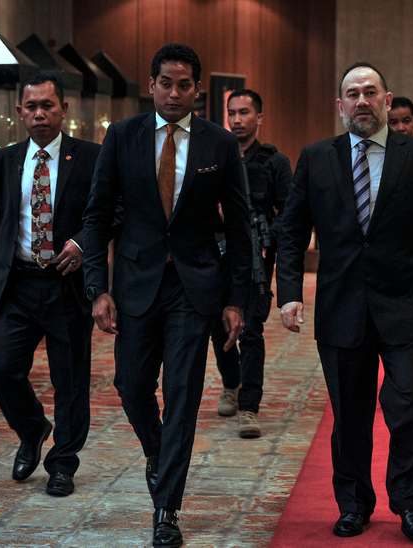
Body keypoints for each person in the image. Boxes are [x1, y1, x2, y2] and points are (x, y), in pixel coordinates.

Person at [276, 62, 413, 543]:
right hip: (341, 309)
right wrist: (290, 293)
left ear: (387, 99)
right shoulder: (317, 158)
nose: (361, 101)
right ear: (339, 105)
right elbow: (293, 231)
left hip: (407, 306)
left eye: (370, 92)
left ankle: (409, 503)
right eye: (352, 94)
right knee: (350, 416)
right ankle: (354, 504)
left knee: (411, 404)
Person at [82, 43, 251, 547]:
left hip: (194, 288)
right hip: (134, 285)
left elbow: (241, 229)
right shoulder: (123, 137)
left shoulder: (218, 144)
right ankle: (157, 451)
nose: (174, 93)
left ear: (198, 90)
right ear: (151, 85)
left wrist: (236, 299)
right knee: (130, 384)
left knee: (182, 396)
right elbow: (96, 216)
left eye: (184, 85)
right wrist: (98, 288)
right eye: (165, 83)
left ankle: (166, 509)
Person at [0, 72, 99, 498]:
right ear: (19, 112)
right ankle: (32, 428)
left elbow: (106, 216)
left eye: (48, 105)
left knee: (70, 381)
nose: (40, 114)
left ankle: (63, 463)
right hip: (18, 284)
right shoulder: (3, 161)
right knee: (3, 369)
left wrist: (83, 244)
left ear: (64, 109)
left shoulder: (91, 158)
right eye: (32, 107)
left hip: (67, 284)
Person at [212, 88, 292, 439]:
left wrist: (264, 238)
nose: (238, 120)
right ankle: (231, 382)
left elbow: (289, 214)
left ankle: (249, 406)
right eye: (232, 113)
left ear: (259, 117)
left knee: (252, 331)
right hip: (216, 254)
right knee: (218, 327)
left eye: (245, 113)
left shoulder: (274, 162)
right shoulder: (215, 156)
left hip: (258, 261)